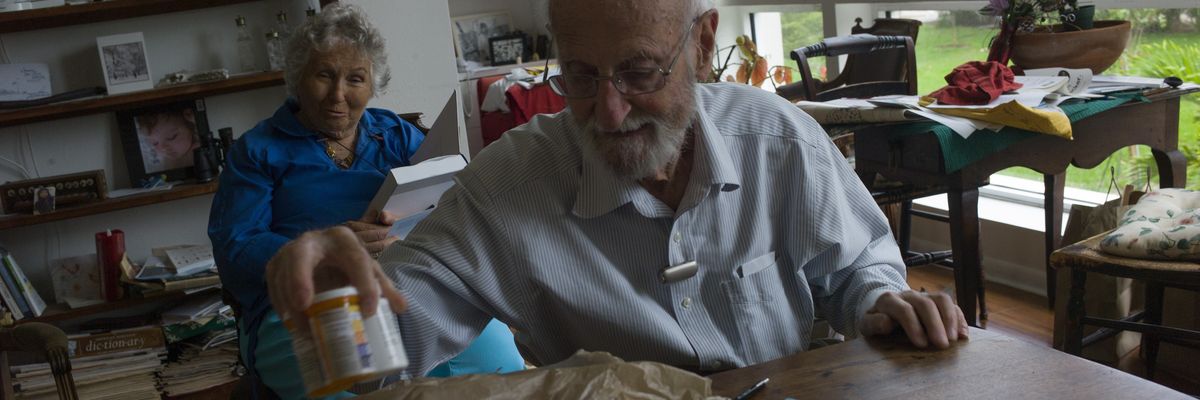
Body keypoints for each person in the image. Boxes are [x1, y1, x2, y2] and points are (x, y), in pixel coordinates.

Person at [268, 0, 969, 379]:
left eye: (639, 73)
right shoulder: (511, 185)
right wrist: (327, 299)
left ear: (700, 47)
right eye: (578, 75)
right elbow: (374, 348)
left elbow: (855, 266)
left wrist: (881, 298)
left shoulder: (775, 139)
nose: (608, 112)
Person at [207, 4, 525, 399]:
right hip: (313, 298)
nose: (338, 95)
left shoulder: (394, 133)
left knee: (500, 374)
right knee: (361, 387)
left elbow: (452, 202)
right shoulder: (257, 151)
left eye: (355, 79)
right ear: (297, 78)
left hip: (413, 284)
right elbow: (235, 248)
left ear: (373, 84)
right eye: (324, 75)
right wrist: (327, 248)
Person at [135, 106, 199, 172]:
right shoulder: (161, 161)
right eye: (155, 143)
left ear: (190, 126)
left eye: (171, 137)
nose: (163, 148)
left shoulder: (198, 146)